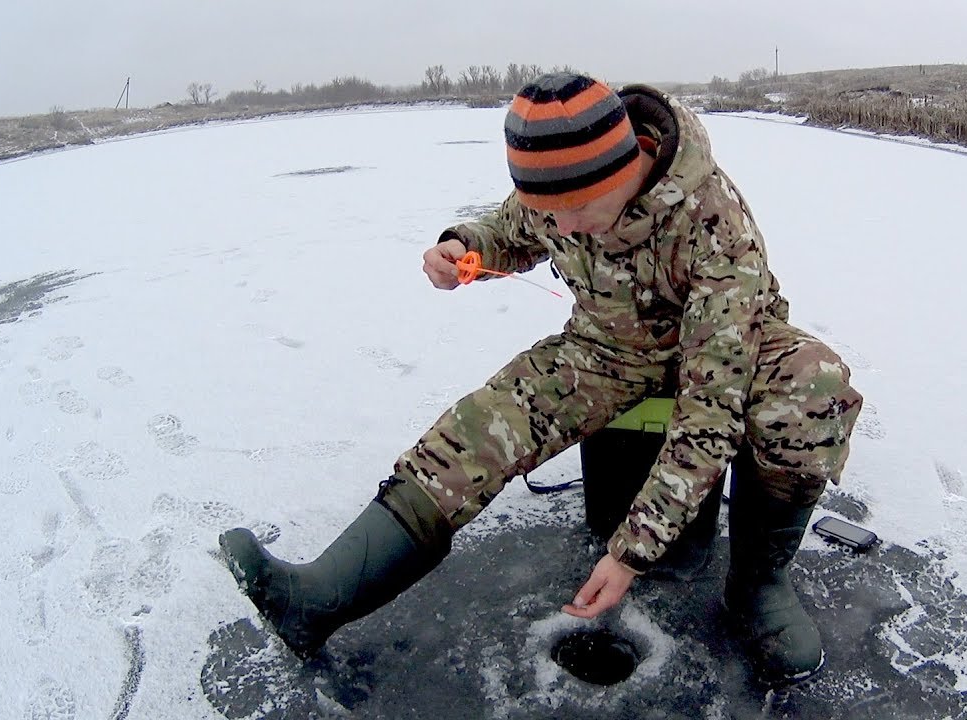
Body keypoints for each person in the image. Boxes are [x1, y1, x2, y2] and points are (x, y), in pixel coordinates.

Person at [219, 72, 863, 686]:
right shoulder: (560, 192)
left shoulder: (713, 223)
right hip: (607, 348)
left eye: (577, 212)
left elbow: (709, 411)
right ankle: (320, 600)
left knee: (812, 386)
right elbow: (511, 228)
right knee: (475, 431)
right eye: (548, 214)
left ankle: (757, 588)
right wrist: (463, 249)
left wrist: (629, 553)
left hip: (729, 350)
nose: (564, 229)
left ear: (624, 171)